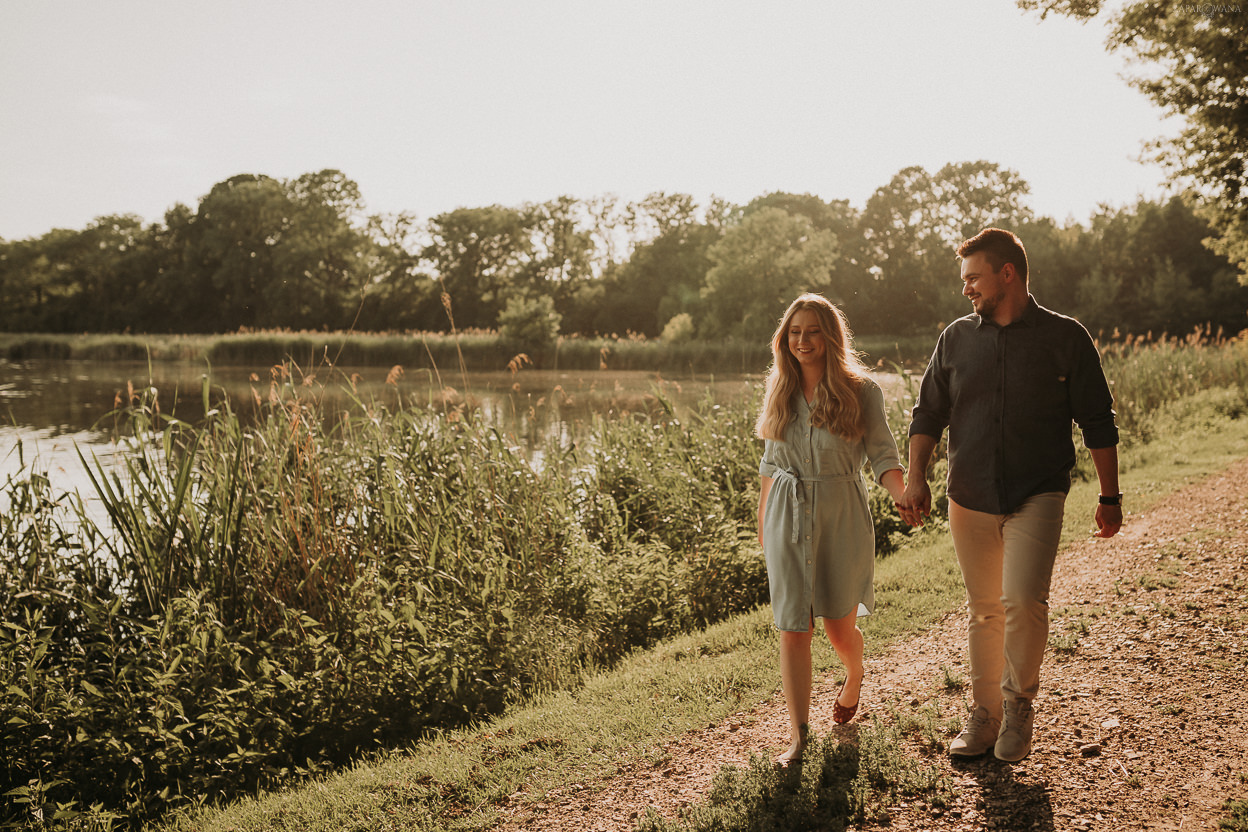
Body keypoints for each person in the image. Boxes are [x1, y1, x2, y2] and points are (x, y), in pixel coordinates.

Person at [902, 227, 1122, 764]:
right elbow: (928, 412)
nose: (966, 289)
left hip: (1037, 492)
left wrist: (1110, 496)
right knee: (983, 610)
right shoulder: (955, 339)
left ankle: (1018, 707)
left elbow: (1097, 420)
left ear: (1008, 274)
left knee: (1022, 601)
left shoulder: (1066, 337)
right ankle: (983, 716)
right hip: (969, 494)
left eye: (973, 277)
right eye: (963, 280)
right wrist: (915, 476)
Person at [757, 293, 907, 765]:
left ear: (829, 335)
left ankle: (855, 673)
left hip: (841, 514)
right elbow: (769, 463)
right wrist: (765, 527)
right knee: (793, 627)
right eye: (795, 332)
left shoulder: (862, 391)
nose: (803, 340)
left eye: (812, 331)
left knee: (840, 629)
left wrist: (902, 494)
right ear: (786, 338)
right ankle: (799, 738)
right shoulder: (779, 388)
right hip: (786, 514)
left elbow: (883, 454)